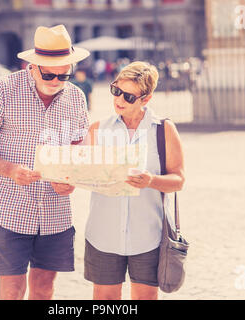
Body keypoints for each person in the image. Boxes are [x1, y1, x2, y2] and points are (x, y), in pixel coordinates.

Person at [0, 24, 90, 300]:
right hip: (10, 210)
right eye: (49, 73)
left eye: (64, 74)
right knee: (12, 292)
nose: (57, 80)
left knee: (44, 290)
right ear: (32, 66)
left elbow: (79, 149)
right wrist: (10, 170)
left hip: (56, 214)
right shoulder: (2, 90)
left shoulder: (76, 97)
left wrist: (72, 179)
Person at [82, 61, 185, 300]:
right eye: (116, 91)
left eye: (128, 97)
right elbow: (79, 172)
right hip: (102, 233)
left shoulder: (164, 130)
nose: (119, 100)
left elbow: (178, 180)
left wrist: (150, 180)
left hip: (147, 235)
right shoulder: (96, 130)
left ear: (145, 99)